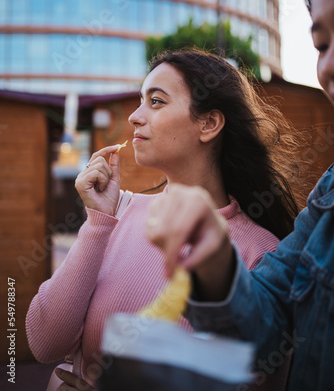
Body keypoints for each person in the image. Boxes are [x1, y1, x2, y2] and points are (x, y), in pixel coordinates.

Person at [26, 48, 303, 391]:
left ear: (209, 124)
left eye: (156, 102)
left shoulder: (261, 252)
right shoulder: (116, 212)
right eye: (141, 100)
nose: (135, 117)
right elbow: (44, 343)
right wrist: (98, 221)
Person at [145, 0, 334, 391]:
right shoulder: (328, 196)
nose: (329, 65)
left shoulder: (261, 242)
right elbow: (264, 324)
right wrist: (214, 264)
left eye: (155, 102)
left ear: (210, 124)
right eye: (322, 45)